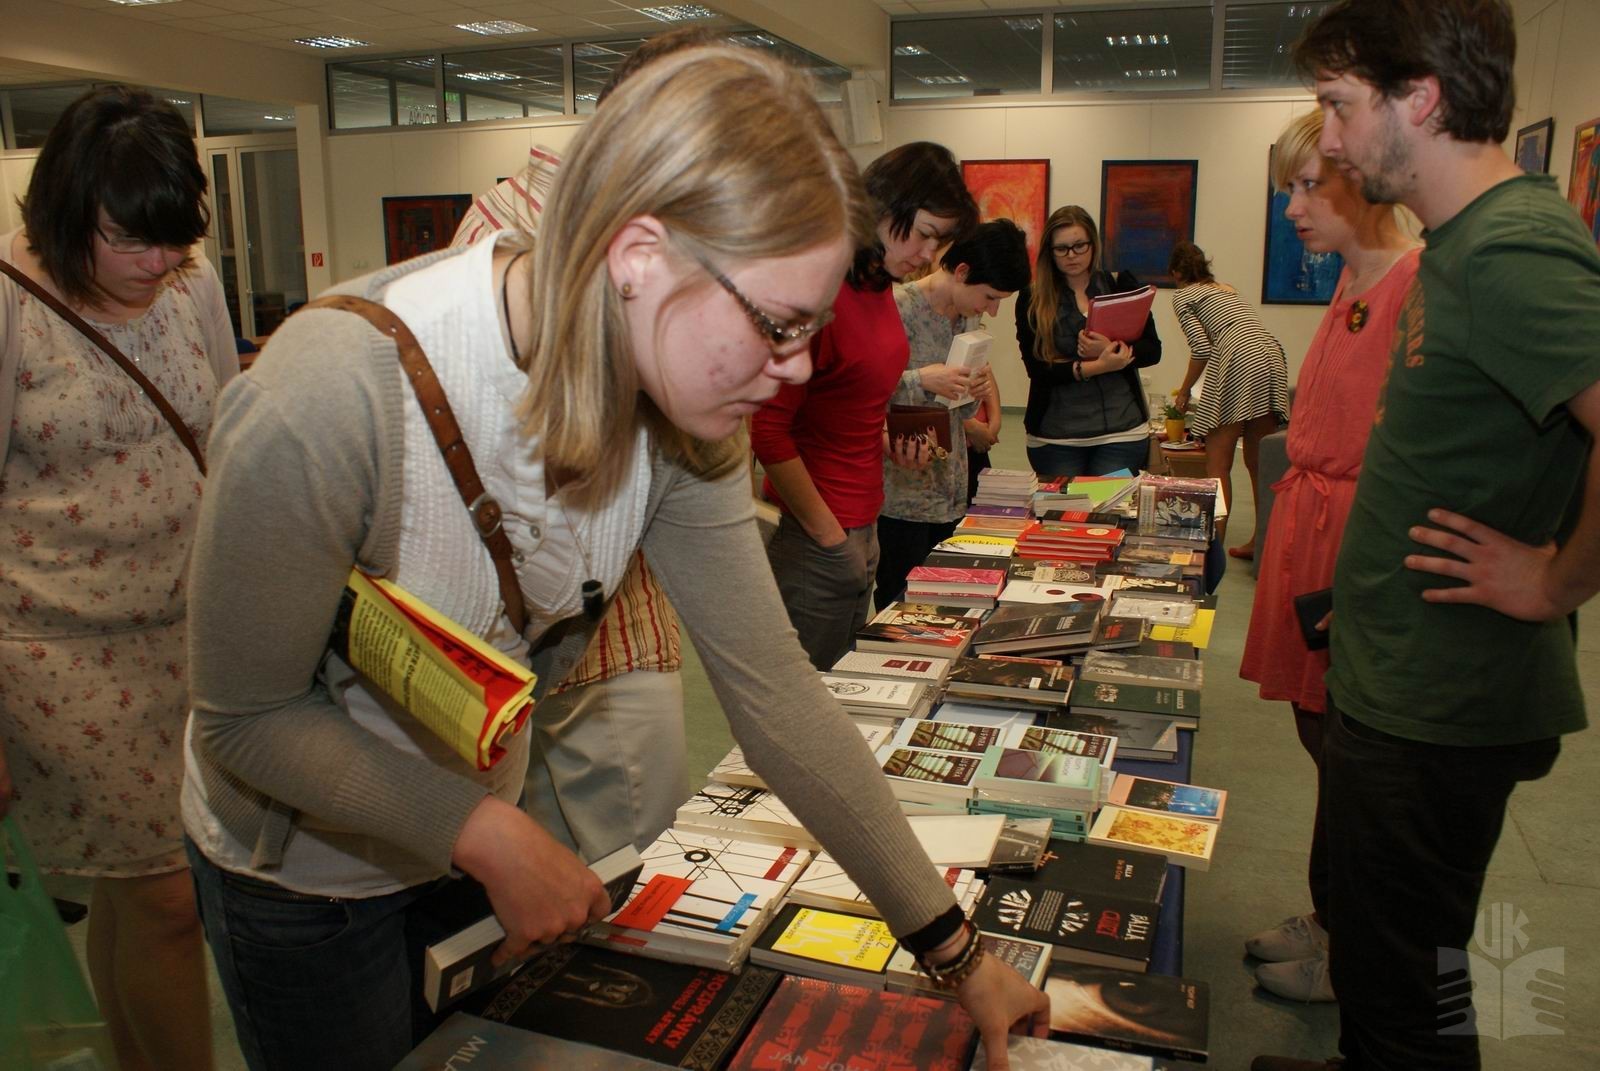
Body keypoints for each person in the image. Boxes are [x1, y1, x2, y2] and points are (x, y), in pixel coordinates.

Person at [180, 48, 1047, 1071]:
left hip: (467, 836)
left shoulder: (686, 414)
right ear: (639, 256)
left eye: (811, 331)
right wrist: (485, 831)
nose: (795, 370)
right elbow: (246, 717)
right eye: (777, 327)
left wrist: (956, 953)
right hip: (305, 878)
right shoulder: (330, 393)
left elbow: (776, 696)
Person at [1251, 2, 1600, 1069]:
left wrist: (1554, 582)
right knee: (1385, 961)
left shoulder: (1511, 248)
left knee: (1412, 994)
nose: (1333, 140)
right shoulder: (1464, 246)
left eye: (1339, 107)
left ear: (1422, 98)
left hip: (1439, 707)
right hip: (1401, 682)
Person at [0, 85, 237, 1071]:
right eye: (128, 239)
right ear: (68, 211)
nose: (156, 261)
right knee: (171, 898)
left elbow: (227, 434)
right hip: (61, 656)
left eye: (173, 239)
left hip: (187, 638)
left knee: (133, 895)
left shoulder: (192, 282)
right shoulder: (9, 299)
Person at [443, 28, 724, 857]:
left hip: (589, 608)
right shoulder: (518, 232)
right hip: (553, 611)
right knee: (625, 860)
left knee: (562, 858)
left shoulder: (513, 216)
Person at [1235, 109, 1420, 1006]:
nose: (1294, 208)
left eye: (1310, 186)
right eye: (1290, 189)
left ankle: (1355, 942)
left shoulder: (1415, 282)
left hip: (1356, 539)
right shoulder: (1354, 276)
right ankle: (1330, 910)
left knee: (1356, 756)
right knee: (1321, 737)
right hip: (1311, 527)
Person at [752, 141, 978, 670]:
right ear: (882, 205)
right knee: (809, 696)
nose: (928, 255)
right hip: (818, 535)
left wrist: (884, 443)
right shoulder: (819, 291)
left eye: (939, 241)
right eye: (924, 233)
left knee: (846, 687)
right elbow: (767, 431)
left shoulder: (877, 285)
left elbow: (841, 406)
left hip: (862, 523)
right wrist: (829, 537)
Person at [875, 219, 1030, 610]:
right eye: (990, 297)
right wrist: (922, 379)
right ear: (961, 271)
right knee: (900, 607)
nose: (992, 310)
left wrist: (972, 391)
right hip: (901, 496)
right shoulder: (897, 307)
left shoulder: (967, 316)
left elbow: (958, 406)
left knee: (950, 608)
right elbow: (860, 389)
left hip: (952, 488)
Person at [1015, 205, 1162, 480]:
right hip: (1055, 438)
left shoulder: (1120, 284)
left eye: (1079, 246)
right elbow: (1038, 369)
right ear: (1050, 251)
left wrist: (1109, 349)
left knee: (1109, 507)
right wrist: (1099, 365)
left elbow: (1153, 350)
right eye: (1062, 249)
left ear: (1093, 245)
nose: (1071, 255)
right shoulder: (1032, 298)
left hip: (1122, 433)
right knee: (1063, 509)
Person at [1167, 241, 1290, 558]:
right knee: (1259, 461)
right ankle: (1263, 545)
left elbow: (1202, 348)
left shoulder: (1183, 295)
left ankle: (1213, 549)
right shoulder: (1227, 289)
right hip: (1270, 354)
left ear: (1176, 273)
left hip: (1239, 357)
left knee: (1218, 462)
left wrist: (1184, 390)